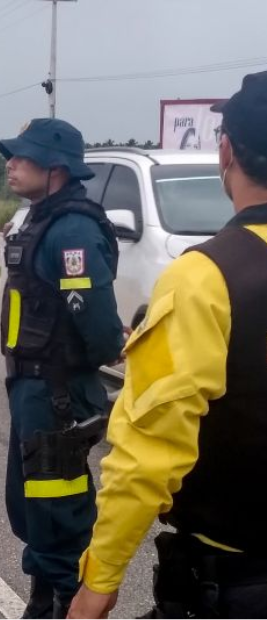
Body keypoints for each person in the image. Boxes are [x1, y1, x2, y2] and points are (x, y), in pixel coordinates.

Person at [68, 71, 267, 620]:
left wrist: (99, 582)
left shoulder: (208, 276)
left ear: (226, 152)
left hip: (237, 580)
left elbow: (149, 452)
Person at [0, 118, 124, 620]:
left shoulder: (71, 228)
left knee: (58, 508)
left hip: (57, 392)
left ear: (56, 168)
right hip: (29, 386)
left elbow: (92, 313)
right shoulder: (38, 217)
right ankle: (44, 596)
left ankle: (70, 604)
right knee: (30, 502)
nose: (11, 163)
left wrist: (106, 347)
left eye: (22, 156)